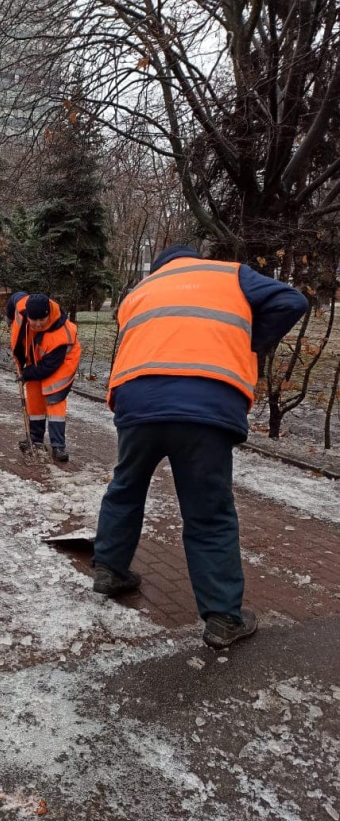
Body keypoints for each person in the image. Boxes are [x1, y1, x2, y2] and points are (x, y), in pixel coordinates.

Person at [93, 243, 309, 649]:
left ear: (161, 267)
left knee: (125, 489)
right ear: (194, 259)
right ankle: (223, 617)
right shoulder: (230, 274)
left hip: (137, 400)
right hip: (206, 402)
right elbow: (292, 301)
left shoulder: (139, 290)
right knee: (208, 511)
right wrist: (249, 343)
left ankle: (109, 569)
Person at [7, 291, 81, 462]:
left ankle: (58, 446)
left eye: (42, 319)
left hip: (62, 363)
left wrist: (26, 374)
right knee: (34, 397)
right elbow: (15, 298)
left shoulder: (61, 334)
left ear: (48, 315)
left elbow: (48, 367)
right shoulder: (22, 306)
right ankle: (35, 439)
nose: (38, 324)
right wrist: (9, 316)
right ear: (27, 315)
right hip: (36, 358)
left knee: (54, 399)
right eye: (34, 320)